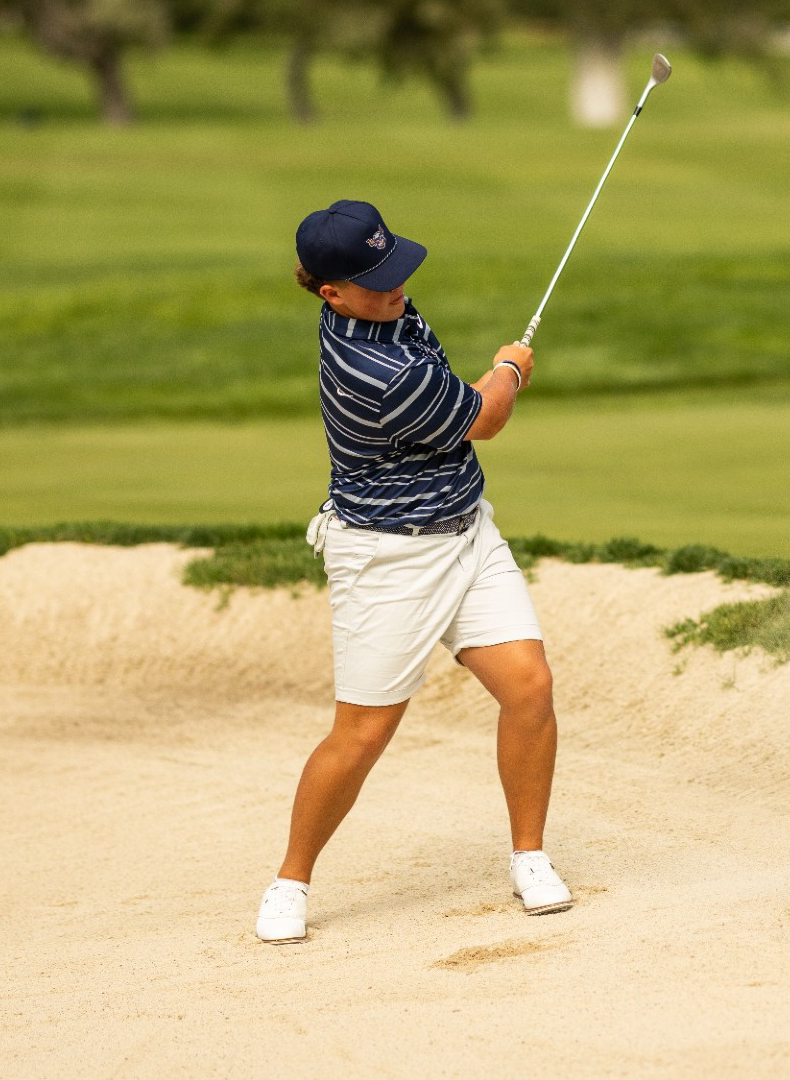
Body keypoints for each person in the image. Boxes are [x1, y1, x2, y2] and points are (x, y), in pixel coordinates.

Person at [255, 199, 570, 944]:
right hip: (386, 558)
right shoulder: (370, 369)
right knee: (362, 734)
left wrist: (482, 377)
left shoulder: (390, 307)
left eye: (393, 269)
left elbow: (455, 404)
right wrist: (508, 369)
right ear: (330, 292)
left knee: (530, 687)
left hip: (468, 534)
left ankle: (530, 857)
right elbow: (485, 418)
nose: (394, 290)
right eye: (374, 282)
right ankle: (289, 881)